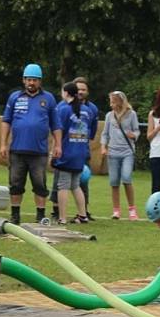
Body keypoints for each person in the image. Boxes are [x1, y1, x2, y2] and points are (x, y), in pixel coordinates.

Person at [0, 63, 62, 225]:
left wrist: (58, 145)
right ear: (23, 80)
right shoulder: (14, 97)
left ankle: (40, 216)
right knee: (15, 184)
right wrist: (3, 144)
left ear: (40, 81)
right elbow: (6, 121)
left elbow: (56, 124)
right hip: (17, 150)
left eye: (35, 80)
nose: (31, 83)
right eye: (29, 79)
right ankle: (15, 215)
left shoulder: (48, 98)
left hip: (39, 151)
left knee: (40, 184)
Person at [52, 75, 98, 221]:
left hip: (67, 152)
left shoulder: (63, 109)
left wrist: (54, 150)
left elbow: (58, 130)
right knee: (76, 185)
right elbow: (90, 131)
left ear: (66, 93)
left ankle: (62, 217)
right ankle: (83, 215)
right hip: (81, 153)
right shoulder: (88, 110)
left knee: (63, 186)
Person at [100, 90, 139, 220]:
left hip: (127, 151)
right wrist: (103, 146)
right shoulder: (109, 116)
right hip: (113, 152)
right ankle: (116, 210)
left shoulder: (131, 114)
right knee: (114, 182)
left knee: (126, 178)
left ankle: (132, 209)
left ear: (120, 102)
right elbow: (105, 133)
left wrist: (133, 135)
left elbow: (137, 130)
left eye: (113, 101)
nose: (111, 104)